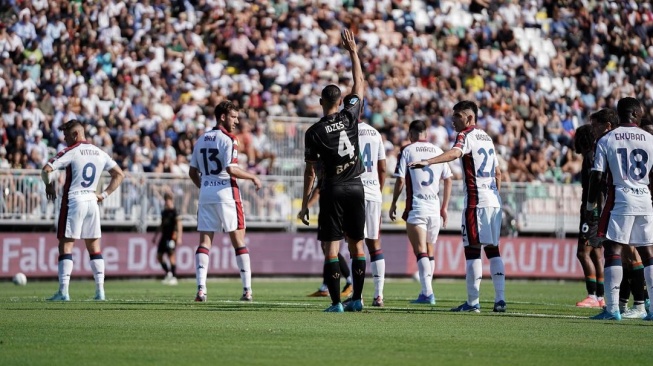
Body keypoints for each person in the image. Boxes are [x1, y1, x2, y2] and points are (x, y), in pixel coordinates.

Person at [410, 100, 506, 313]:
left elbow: (455, 153)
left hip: (476, 201)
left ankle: (472, 303)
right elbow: (498, 173)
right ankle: (500, 300)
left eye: (457, 116)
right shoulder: (487, 138)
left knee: (472, 250)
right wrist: (495, 196)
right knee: (493, 250)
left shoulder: (466, 136)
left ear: (469, 118)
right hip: (493, 201)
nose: (453, 120)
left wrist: (429, 161)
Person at [297, 28, 366, 313]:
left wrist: (304, 204)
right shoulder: (350, 115)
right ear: (341, 101)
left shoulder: (313, 132)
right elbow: (359, 83)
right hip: (356, 186)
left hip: (333, 190)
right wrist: (353, 52)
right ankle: (358, 299)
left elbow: (311, 172)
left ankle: (337, 303)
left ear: (321, 102)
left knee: (332, 249)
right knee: (357, 246)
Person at [41, 119, 125, 301]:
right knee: (94, 248)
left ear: (76, 134)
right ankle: (100, 291)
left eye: (66, 136)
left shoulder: (71, 151)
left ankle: (63, 292)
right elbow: (120, 174)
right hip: (92, 200)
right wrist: (103, 195)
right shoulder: (99, 152)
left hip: (74, 200)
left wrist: (49, 187)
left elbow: (46, 170)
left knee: (66, 245)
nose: (65, 140)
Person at [586, 97, 653, 321]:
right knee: (647, 252)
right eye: (641, 112)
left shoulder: (608, 139)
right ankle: (651, 309)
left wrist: (590, 205)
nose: (643, 115)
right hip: (645, 198)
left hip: (621, 197)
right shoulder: (649, 138)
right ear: (634, 113)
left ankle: (612, 308)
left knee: (613, 250)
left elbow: (597, 176)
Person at [189, 100, 262, 302]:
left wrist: (204, 186)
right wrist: (253, 176)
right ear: (222, 116)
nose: (237, 121)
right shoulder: (229, 139)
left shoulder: (201, 138)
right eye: (234, 116)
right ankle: (247, 290)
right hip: (226, 192)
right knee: (238, 241)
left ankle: (201, 289)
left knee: (204, 242)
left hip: (206, 193)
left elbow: (192, 172)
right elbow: (231, 169)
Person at [390, 120, 452, 305]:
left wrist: (393, 202)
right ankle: (427, 291)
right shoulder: (438, 151)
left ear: (411, 134)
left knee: (420, 251)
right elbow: (448, 179)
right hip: (434, 206)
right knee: (429, 249)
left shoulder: (408, 150)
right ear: (426, 133)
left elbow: (400, 180)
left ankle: (427, 293)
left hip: (417, 205)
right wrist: (445, 207)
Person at [573, 119, 606, 308]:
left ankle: (593, 295)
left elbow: (596, 184)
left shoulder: (590, 157)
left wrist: (591, 209)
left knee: (582, 253)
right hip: (598, 211)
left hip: (591, 210)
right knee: (595, 253)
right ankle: (600, 297)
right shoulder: (595, 155)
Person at [152, 193, 182, 285]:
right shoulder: (164, 212)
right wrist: (155, 236)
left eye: (168, 200)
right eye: (166, 200)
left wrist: (179, 237)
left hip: (171, 237)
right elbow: (161, 225)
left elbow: (179, 225)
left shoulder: (175, 212)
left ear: (171, 200)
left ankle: (174, 277)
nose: (167, 202)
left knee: (171, 256)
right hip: (164, 236)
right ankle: (168, 273)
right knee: (159, 256)